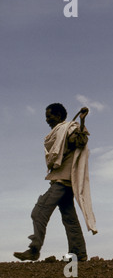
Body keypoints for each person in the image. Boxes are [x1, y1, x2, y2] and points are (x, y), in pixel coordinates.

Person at [13, 103, 97, 262]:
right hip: (64, 182)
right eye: (46, 117)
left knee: (39, 211)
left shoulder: (69, 129)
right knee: (69, 217)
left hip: (62, 182)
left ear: (58, 116)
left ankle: (34, 249)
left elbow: (80, 140)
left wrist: (82, 121)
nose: (47, 120)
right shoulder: (60, 132)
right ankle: (79, 253)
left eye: (49, 116)